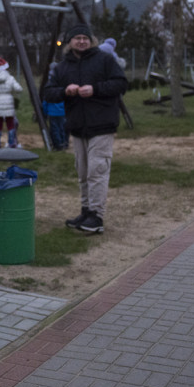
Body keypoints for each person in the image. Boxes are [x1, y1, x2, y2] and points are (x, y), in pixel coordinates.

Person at [43, 23, 129, 234]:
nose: (81, 41)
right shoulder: (63, 67)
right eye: (77, 38)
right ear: (70, 42)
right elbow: (48, 92)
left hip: (102, 124)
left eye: (85, 38)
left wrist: (96, 89)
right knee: (82, 172)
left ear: (91, 41)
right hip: (77, 126)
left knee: (97, 170)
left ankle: (96, 216)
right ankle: (86, 210)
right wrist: (66, 91)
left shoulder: (105, 60)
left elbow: (121, 83)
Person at [41, 62, 68, 150]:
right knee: (62, 128)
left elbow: (46, 100)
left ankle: (58, 145)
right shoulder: (63, 82)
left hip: (53, 112)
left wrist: (44, 112)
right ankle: (64, 143)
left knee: (55, 129)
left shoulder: (50, 85)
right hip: (62, 112)